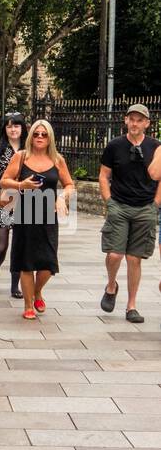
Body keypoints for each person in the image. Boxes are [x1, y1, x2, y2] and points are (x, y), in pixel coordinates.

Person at [1, 119, 75, 321]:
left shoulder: (57, 159)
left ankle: (37, 292)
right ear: (30, 136)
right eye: (36, 134)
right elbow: (4, 180)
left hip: (48, 215)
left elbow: (69, 184)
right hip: (25, 214)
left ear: (50, 137)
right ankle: (28, 305)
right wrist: (21, 184)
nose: (40, 137)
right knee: (26, 262)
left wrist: (62, 197)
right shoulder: (21, 157)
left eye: (44, 134)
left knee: (48, 263)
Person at [98, 104, 161, 323]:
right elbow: (104, 176)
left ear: (147, 123)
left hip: (145, 207)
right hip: (120, 205)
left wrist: (155, 204)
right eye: (131, 119)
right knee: (115, 254)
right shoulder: (115, 145)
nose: (135, 123)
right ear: (125, 121)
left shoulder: (156, 146)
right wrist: (109, 202)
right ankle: (111, 285)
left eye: (139, 120)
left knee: (135, 259)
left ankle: (131, 306)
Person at [0, 112, 27, 297]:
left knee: (20, 246)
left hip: (26, 201)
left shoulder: (30, 148)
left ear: (22, 128)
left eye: (16, 126)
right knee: (1, 246)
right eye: (9, 126)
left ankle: (15, 285)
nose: (13, 129)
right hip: (3, 199)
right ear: (5, 129)